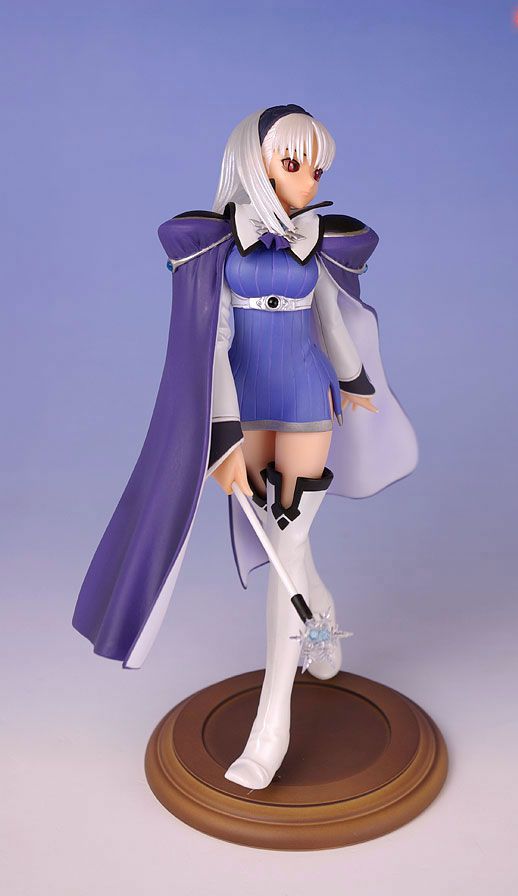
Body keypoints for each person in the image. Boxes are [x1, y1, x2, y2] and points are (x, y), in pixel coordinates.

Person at [72, 105, 418, 791]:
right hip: (248, 404)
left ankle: (271, 726)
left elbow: (329, 321)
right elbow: (215, 345)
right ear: (253, 164)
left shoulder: (313, 243)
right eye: (294, 163)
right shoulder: (219, 248)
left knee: (289, 540)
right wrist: (223, 433)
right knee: (288, 539)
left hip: (306, 397)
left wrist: (356, 380)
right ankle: (322, 618)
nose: (309, 180)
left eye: (317, 169)